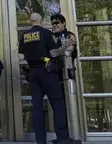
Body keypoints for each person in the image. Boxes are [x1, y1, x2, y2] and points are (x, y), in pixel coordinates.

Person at [18, 13, 75, 144]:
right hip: (47, 72)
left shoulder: (24, 36)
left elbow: (20, 57)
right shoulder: (45, 33)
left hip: (33, 73)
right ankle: (62, 138)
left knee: (37, 107)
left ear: (30, 21)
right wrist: (66, 46)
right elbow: (53, 53)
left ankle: (40, 140)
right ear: (40, 20)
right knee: (58, 103)